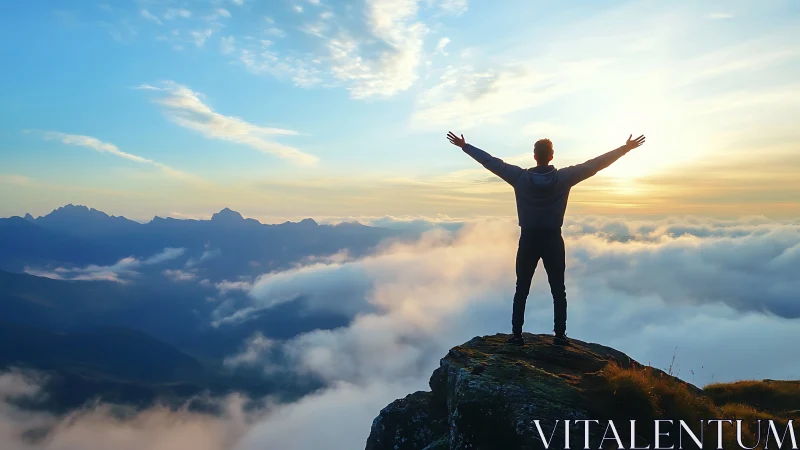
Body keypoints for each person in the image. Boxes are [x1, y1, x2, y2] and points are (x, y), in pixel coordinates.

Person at [446, 131, 646, 346]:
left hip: (528, 239)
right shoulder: (564, 177)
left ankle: (516, 336)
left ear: (534, 156)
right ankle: (560, 336)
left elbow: (491, 162)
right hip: (553, 239)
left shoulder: (519, 177)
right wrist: (625, 149)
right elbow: (596, 164)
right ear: (551, 156)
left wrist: (465, 146)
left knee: (522, 287)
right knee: (558, 289)